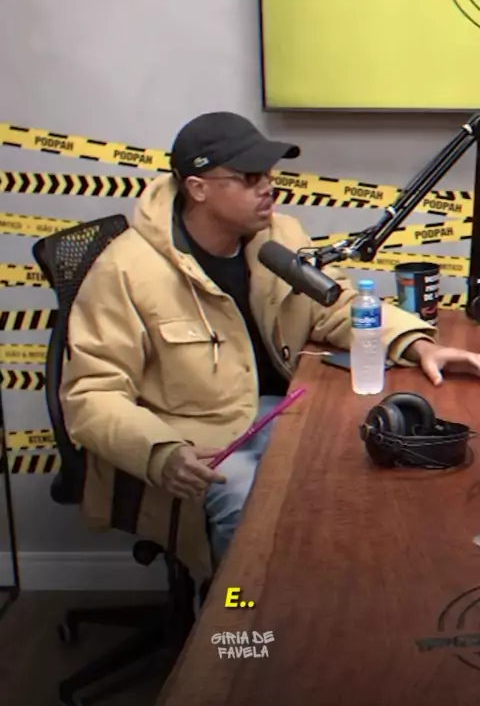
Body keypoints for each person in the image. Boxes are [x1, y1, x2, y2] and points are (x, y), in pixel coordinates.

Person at [60, 111, 480, 580]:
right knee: (244, 506)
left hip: (274, 411)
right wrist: (161, 452)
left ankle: (315, 597)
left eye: (269, 174)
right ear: (198, 188)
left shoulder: (281, 235)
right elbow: (91, 396)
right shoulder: (125, 270)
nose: (269, 188)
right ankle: (235, 617)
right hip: (194, 438)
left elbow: (335, 305)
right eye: (250, 178)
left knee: (354, 459)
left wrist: (416, 344)